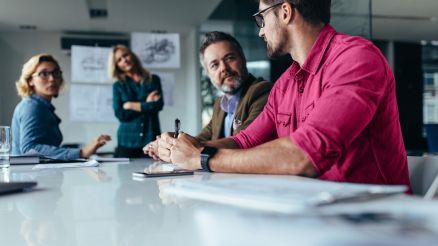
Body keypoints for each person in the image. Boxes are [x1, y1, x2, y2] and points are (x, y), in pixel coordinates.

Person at [155, 0, 411, 187]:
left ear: (286, 12)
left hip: (374, 223)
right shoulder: (285, 84)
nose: (260, 30)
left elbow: (305, 156)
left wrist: (202, 158)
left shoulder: (356, 58)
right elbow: (244, 141)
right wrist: (184, 148)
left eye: (262, 18)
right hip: (315, 212)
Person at [143, 31, 272, 159]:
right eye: (214, 65)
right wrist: (169, 143)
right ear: (209, 74)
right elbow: (200, 139)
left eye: (229, 58)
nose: (223, 68)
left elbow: (244, 141)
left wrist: (178, 148)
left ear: (243, 58)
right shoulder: (220, 104)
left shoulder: (261, 91)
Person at [12, 53, 111, 160]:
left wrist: (86, 147)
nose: (52, 79)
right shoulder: (31, 107)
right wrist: (81, 152)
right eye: (44, 74)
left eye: (56, 73)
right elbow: (29, 148)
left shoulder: (43, 107)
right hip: (28, 175)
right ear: (30, 80)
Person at [109, 45, 164, 158]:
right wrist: (147, 103)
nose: (124, 60)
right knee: (123, 175)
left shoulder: (153, 80)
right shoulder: (118, 86)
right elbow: (120, 114)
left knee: (153, 173)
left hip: (151, 139)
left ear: (132, 55)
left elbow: (158, 105)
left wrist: (130, 105)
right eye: (119, 60)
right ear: (117, 66)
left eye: (125, 55)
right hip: (127, 141)